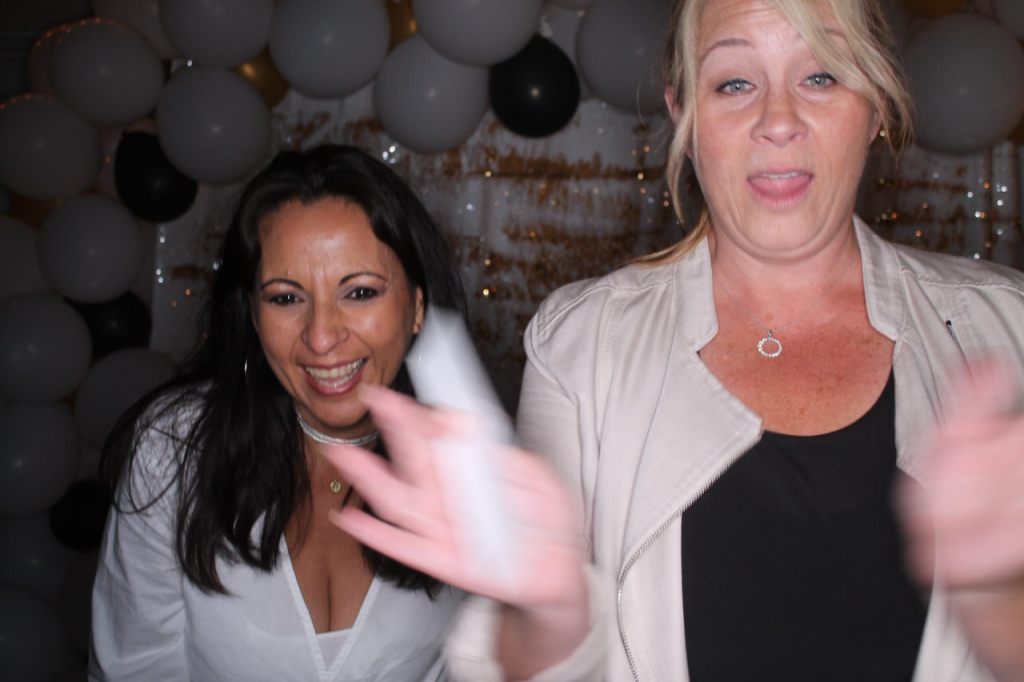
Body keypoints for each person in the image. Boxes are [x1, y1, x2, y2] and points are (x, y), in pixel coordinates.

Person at [322, 1, 1024, 680]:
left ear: (876, 106)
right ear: (684, 113)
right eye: (735, 83)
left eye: (821, 75)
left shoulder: (1008, 327)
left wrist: (1003, 606)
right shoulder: (582, 348)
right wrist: (546, 617)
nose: (779, 121)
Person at [90, 144, 467, 681]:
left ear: (417, 307)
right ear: (252, 312)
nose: (321, 336)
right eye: (286, 298)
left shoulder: (473, 467)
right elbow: (136, 669)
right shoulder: (176, 449)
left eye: (360, 292)